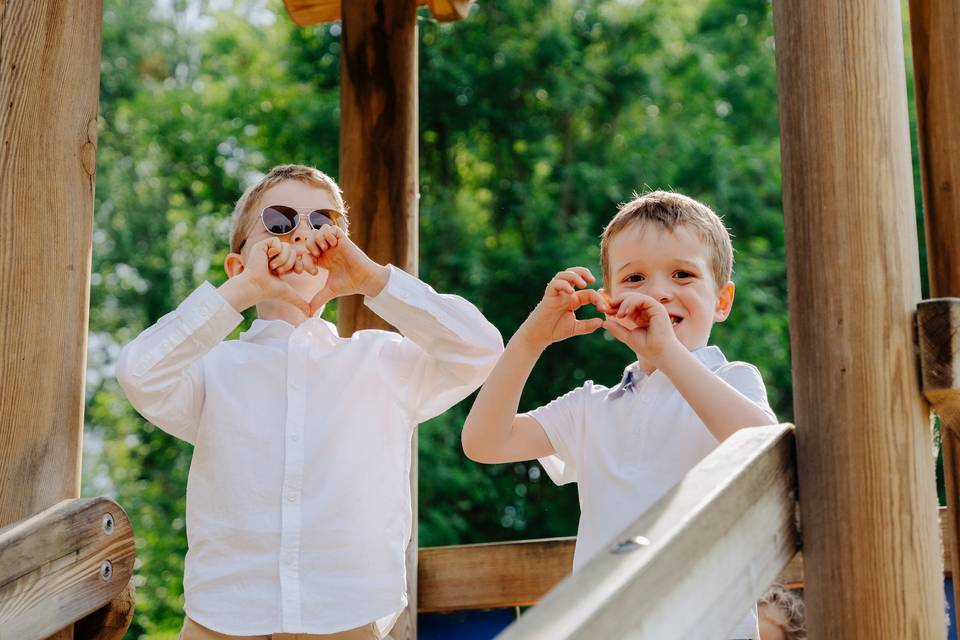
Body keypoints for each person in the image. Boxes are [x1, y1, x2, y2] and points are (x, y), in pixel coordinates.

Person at [117, 164, 503, 640]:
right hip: (222, 618)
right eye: (279, 222)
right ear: (238, 263)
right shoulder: (211, 370)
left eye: (324, 223)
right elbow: (139, 371)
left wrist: (372, 278)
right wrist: (244, 291)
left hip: (347, 616)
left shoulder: (381, 361)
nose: (303, 232)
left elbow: (482, 349)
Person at [461, 190, 777, 639]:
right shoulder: (591, 408)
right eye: (634, 279)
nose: (657, 292)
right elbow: (484, 442)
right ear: (607, 300)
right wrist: (531, 338)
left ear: (722, 301)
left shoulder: (732, 380)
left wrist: (668, 353)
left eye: (683, 275)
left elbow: (764, 448)